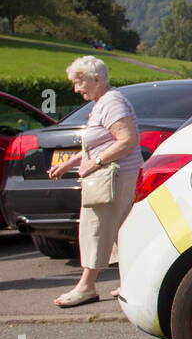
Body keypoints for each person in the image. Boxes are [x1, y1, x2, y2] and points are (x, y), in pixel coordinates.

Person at [46, 56, 143, 306]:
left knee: (95, 229)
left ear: (96, 79)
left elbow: (127, 140)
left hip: (113, 177)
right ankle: (130, 283)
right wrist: (69, 164)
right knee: (121, 231)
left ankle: (86, 287)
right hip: (117, 176)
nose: (76, 89)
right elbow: (101, 142)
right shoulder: (105, 102)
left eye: (79, 82)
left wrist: (96, 162)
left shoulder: (111, 102)